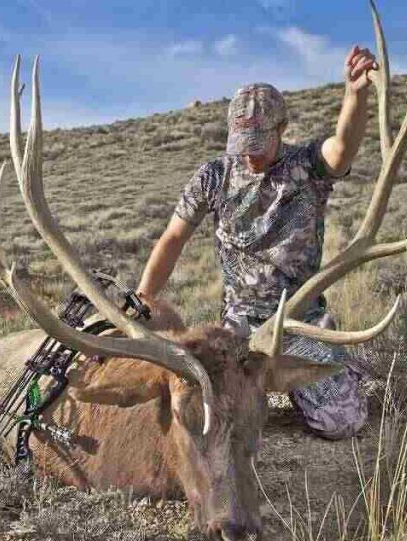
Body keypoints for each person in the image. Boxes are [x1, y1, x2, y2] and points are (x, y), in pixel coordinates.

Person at [135, 46, 378, 440]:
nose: (250, 155)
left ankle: (334, 368)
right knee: (208, 417)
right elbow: (173, 238)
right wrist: (143, 299)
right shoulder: (214, 176)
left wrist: (355, 95)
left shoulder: (307, 166)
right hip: (238, 326)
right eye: (242, 142)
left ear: (281, 129)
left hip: (299, 322)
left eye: (259, 142)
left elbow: (342, 149)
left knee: (341, 422)